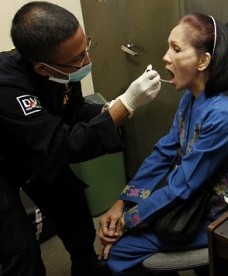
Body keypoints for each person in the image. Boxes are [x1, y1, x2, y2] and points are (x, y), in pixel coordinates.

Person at [0, 2, 162, 276]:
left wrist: (107, 110)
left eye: (85, 48)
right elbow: (61, 144)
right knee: (20, 251)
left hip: (35, 147)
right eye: (78, 59)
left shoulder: (61, 65)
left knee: (73, 210)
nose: (86, 61)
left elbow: (70, 107)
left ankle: (87, 268)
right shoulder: (7, 86)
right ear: (41, 68)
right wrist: (126, 106)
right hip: (6, 156)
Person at [97, 13, 228, 275]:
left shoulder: (224, 115)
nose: (166, 57)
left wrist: (128, 221)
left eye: (176, 49)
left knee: (118, 251)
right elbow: (163, 153)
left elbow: (183, 186)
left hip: (212, 215)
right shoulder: (192, 98)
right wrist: (122, 202)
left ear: (203, 61)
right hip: (189, 199)